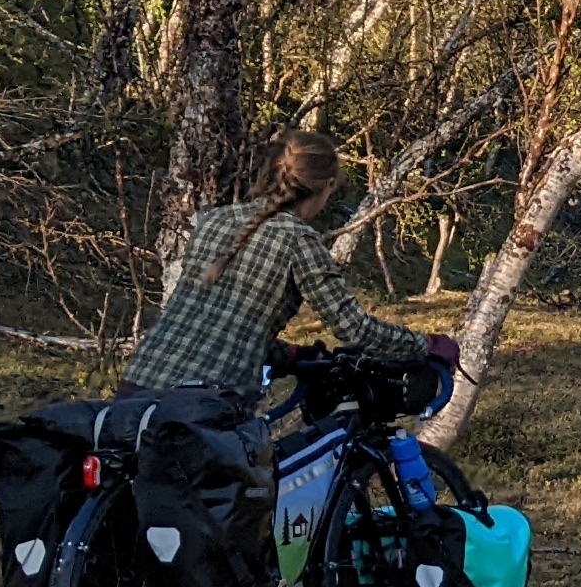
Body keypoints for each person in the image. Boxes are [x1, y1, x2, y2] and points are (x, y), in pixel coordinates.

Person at [120, 131, 457, 398]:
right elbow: (354, 329)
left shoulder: (215, 220)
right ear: (325, 188)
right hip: (205, 409)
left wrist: (289, 356)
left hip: (138, 386)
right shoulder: (298, 240)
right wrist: (426, 344)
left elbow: (215, 323)